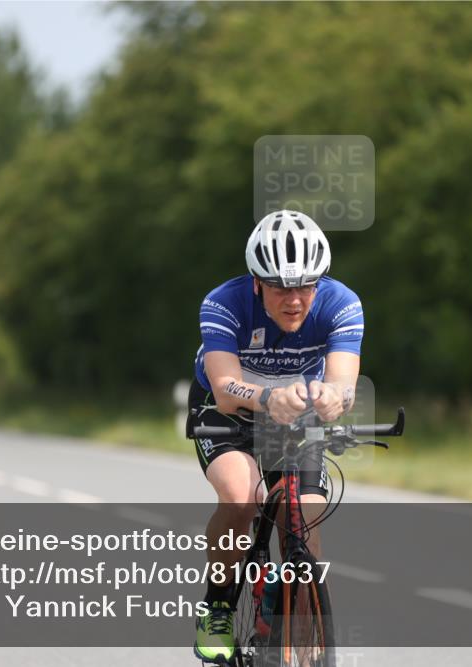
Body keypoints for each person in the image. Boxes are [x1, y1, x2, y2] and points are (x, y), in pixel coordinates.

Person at [189, 210, 363, 663]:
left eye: (306, 286)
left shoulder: (342, 303)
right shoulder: (223, 303)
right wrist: (267, 398)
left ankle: (301, 632)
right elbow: (226, 389)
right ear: (256, 282)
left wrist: (333, 397)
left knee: (304, 513)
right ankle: (219, 606)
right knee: (240, 496)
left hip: (295, 412)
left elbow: (344, 382)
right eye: (281, 287)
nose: (294, 300)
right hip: (227, 409)